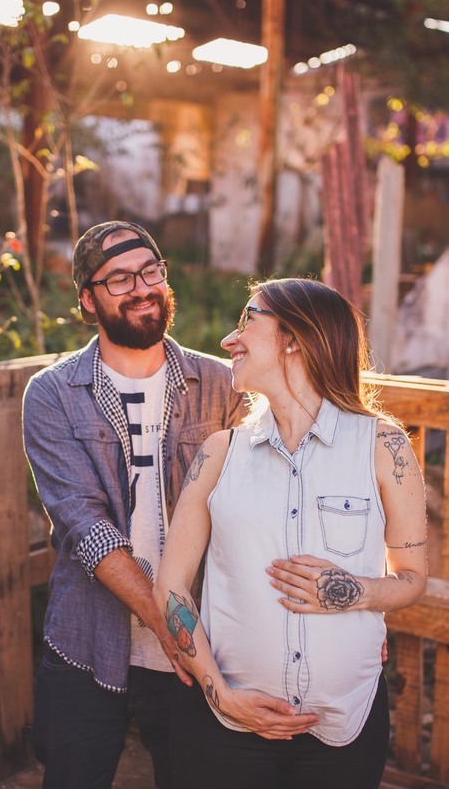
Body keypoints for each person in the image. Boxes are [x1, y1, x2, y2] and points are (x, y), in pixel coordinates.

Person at [154, 278, 428, 789]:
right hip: (222, 730)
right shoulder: (219, 453)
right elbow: (170, 587)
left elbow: (412, 579)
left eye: (247, 321)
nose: (228, 341)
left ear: (295, 338)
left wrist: (356, 591)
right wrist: (221, 694)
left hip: (344, 727)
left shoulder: (384, 447)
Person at [23, 221, 247, 789]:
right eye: (119, 278)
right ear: (87, 300)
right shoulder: (52, 395)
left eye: (151, 271)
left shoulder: (222, 385)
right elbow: (85, 527)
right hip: (87, 641)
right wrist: (168, 626)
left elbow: (262, 507)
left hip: (204, 644)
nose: (142, 287)